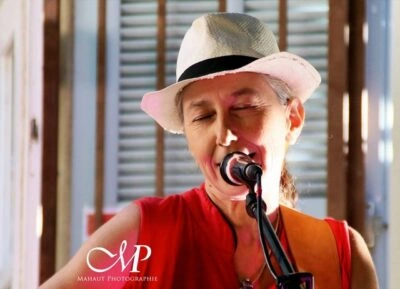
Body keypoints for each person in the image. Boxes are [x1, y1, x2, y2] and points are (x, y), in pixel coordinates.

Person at [39, 12, 379, 289]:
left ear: (292, 119)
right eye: (202, 116)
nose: (224, 133)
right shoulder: (146, 233)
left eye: (244, 107)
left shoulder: (339, 252)